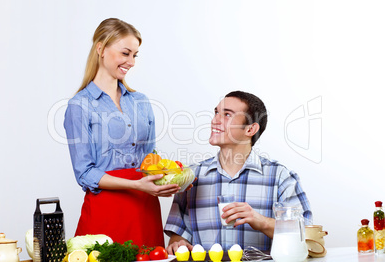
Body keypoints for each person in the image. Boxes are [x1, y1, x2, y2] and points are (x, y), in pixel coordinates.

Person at [64, 18, 180, 247]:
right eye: (125, 53)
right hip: (106, 210)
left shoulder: (141, 102)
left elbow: (149, 159)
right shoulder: (80, 106)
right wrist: (137, 185)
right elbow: (85, 174)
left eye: (135, 55)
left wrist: (168, 178)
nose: (131, 62)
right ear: (101, 48)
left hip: (144, 208)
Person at [164, 91, 312, 253]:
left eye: (227, 115)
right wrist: (179, 243)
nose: (215, 121)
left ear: (250, 129)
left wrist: (261, 221)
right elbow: (177, 234)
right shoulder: (190, 176)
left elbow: (306, 234)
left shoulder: (280, 177)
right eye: (216, 113)